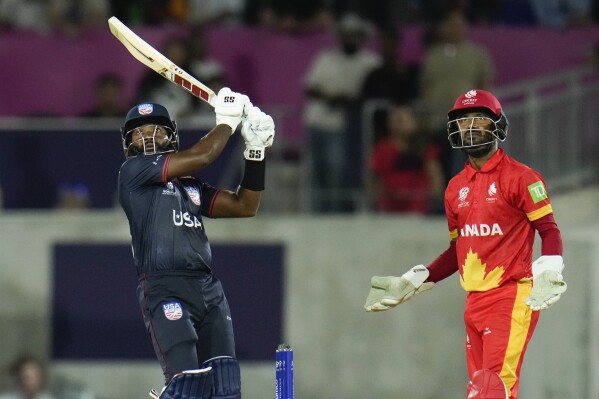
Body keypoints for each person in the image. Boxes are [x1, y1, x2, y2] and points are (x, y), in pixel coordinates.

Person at [364, 89, 568, 399]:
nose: (470, 127)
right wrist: (414, 280)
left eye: (478, 119)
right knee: (483, 391)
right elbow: (458, 251)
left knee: (492, 390)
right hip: (473, 302)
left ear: (496, 125)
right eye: (463, 121)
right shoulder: (455, 188)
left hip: (509, 296)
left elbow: (548, 229)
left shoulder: (522, 178)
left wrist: (551, 267)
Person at [117, 87, 275, 399]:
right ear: (128, 144)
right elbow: (203, 155)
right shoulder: (132, 173)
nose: (148, 140)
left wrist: (255, 151)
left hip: (208, 290)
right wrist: (227, 122)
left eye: (156, 132)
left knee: (225, 388)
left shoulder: (190, 186)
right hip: (164, 288)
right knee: (189, 384)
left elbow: (246, 206)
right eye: (140, 134)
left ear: (171, 136)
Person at [303, 12, 380, 212]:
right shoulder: (326, 58)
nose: (350, 38)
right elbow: (310, 86)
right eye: (346, 34)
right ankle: (319, 215)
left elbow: (369, 93)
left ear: (361, 37)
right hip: (317, 120)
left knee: (338, 174)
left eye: (354, 34)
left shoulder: (370, 62)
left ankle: (336, 215)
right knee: (317, 173)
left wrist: (346, 100)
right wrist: (332, 96)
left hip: (345, 126)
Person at [367, 103, 444, 214]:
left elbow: (436, 178)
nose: (399, 124)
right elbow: (374, 179)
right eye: (397, 120)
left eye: (403, 120)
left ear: (414, 122)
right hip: (389, 210)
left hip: (419, 211)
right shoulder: (383, 149)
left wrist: (434, 202)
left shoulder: (425, 148)